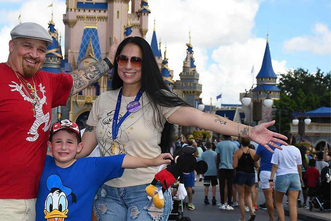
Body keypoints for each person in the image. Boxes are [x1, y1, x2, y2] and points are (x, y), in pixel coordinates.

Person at [79, 36, 287, 221]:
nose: (128, 66)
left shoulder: (159, 99)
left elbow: (201, 118)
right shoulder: (103, 100)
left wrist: (248, 131)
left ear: (147, 65)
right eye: (123, 59)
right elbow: (84, 149)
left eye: (136, 60)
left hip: (146, 191)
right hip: (108, 193)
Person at [0, 22, 117, 220]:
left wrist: (108, 61)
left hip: (30, 197)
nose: (34, 54)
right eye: (27, 46)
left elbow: (77, 79)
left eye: (41, 50)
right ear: (11, 46)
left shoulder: (46, 81)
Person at [35, 119, 172, 221]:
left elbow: (122, 160)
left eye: (69, 142)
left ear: (79, 147)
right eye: (58, 141)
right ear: (50, 145)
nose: (63, 146)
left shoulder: (90, 167)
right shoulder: (41, 163)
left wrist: (152, 161)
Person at [270, 131, 302, 221]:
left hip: (282, 176)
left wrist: (271, 179)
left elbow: (275, 165)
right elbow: (299, 166)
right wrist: (300, 177)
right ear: (291, 139)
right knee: (293, 203)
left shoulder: (278, 149)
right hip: (295, 176)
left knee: (278, 202)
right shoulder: (296, 150)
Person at [233, 137, 258, 221]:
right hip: (251, 174)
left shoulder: (237, 152)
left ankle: (243, 218)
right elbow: (257, 165)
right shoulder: (253, 152)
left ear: (241, 142)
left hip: (241, 173)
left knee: (241, 196)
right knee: (247, 195)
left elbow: (235, 165)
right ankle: (251, 211)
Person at [253, 141, 277, 221]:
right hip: (278, 172)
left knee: (268, 198)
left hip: (265, 172)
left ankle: (271, 218)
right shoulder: (279, 145)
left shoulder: (262, 145)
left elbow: (255, 158)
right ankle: (280, 217)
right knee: (278, 198)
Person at [216, 135, 237, 211]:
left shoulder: (219, 144)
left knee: (222, 185)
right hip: (231, 167)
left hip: (222, 166)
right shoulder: (234, 145)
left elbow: (218, 157)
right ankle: (229, 202)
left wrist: (217, 167)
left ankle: (222, 202)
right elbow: (235, 157)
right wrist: (235, 168)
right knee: (230, 185)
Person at [200, 141, 218, 205]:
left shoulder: (203, 154)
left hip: (206, 170)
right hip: (213, 171)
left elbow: (201, 162)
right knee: (214, 185)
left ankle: (206, 197)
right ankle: (214, 197)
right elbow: (217, 162)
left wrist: (201, 171)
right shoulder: (215, 154)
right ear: (212, 146)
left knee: (206, 185)